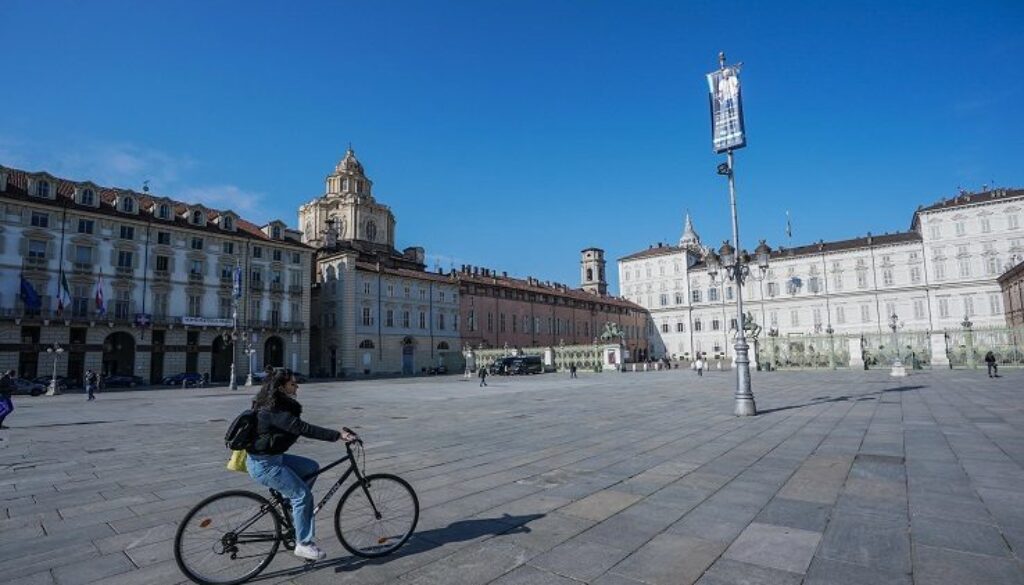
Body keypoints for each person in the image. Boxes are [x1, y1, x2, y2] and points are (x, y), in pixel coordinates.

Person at [247, 369, 356, 561]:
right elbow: (303, 428)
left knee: (311, 467)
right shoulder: (273, 410)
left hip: (273, 458)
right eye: (293, 384)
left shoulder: (273, 403)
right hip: (265, 465)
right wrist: (337, 435)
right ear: (281, 387)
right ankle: (304, 544)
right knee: (303, 495)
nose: (297, 386)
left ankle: (289, 506)